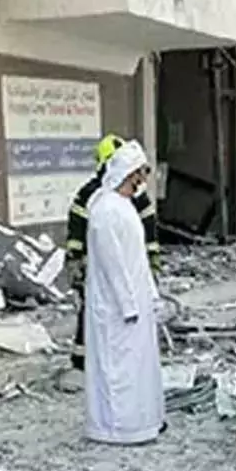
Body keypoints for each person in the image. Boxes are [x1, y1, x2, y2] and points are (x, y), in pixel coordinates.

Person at [62, 134, 160, 389]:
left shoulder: (132, 195)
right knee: (93, 313)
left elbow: (148, 228)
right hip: (97, 268)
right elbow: (76, 229)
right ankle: (82, 361)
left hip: (130, 268)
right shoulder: (95, 197)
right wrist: (76, 261)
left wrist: (150, 261)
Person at [83, 141, 164, 445]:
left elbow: (137, 259)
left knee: (138, 366)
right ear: (128, 174)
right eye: (140, 173)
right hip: (116, 307)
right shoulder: (104, 210)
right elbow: (112, 264)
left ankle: (143, 422)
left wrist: (150, 296)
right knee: (116, 368)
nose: (142, 180)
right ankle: (116, 428)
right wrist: (128, 304)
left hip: (136, 302)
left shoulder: (124, 206)